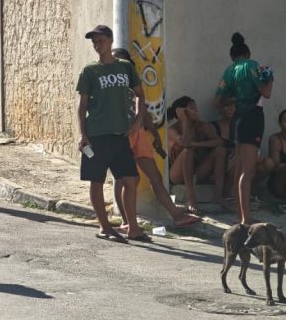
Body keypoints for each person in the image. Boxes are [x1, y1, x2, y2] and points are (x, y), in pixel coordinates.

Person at [109, 51, 201, 229]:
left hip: (139, 134)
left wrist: (155, 136)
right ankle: (126, 220)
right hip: (121, 135)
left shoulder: (133, 82)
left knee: (155, 177)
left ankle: (177, 216)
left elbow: (142, 110)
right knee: (123, 179)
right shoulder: (109, 84)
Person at [76, 25, 149, 242]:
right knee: (96, 180)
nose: (97, 46)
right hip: (96, 135)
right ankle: (105, 227)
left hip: (121, 134)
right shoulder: (90, 71)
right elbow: (82, 105)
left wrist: (138, 120)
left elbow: (140, 95)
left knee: (130, 179)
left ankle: (133, 227)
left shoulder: (125, 67)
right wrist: (82, 134)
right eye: (94, 43)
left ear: (110, 41)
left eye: (100, 41)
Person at [215, 32, 273, 225]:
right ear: (247, 53)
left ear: (232, 56)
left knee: (240, 167)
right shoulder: (252, 65)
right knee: (248, 172)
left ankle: (240, 216)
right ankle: (245, 218)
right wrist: (269, 78)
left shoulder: (229, 71)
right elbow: (266, 92)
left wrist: (235, 99)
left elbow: (218, 101)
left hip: (238, 120)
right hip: (252, 118)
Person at [166, 95, 228, 211]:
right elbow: (185, 144)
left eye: (196, 107)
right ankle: (191, 198)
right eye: (192, 108)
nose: (196, 110)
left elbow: (219, 141)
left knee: (220, 150)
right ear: (182, 112)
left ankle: (218, 196)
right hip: (177, 175)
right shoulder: (172, 130)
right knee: (187, 152)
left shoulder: (202, 126)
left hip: (196, 171)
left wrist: (196, 144)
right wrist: (184, 121)